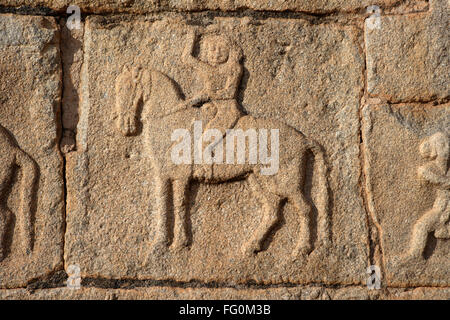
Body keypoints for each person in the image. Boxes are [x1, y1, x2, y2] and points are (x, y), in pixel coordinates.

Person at [405, 132, 450, 260]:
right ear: (433, 148)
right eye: (442, 144)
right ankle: (415, 256)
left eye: (448, 144)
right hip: (440, 210)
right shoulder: (429, 168)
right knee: (421, 226)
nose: (447, 147)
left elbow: (443, 182)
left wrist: (438, 180)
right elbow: (426, 175)